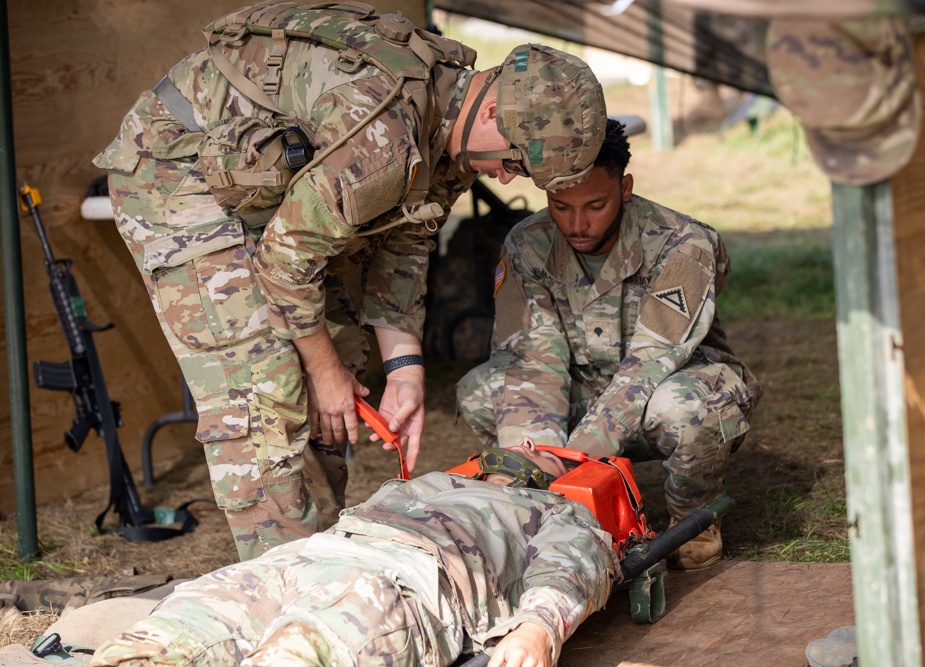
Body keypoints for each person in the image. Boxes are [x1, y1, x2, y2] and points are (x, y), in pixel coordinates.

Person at [92, 2, 606, 560]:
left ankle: (324, 558)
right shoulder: (383, 137)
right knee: (265, 392)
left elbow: (406, 240)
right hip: (177, 171)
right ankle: (284, 588)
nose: (506, 176)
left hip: (268, 190)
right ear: (492, 116)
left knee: (338, 358)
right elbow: (286, 262)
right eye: (514, 163)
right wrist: (321, 371)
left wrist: (404, 369)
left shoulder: (452, 128)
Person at [456, 118, 761, 570]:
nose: (577, 223)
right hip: (582, 393)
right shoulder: (528, 244)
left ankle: (693, 516)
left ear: (626, 188)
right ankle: (540, 510)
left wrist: (573, 460)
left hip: (669, 385)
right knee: (479, 390)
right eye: (560, 206)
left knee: (685, 408)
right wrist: (535, 460)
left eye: (595, 205)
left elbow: (651, 362)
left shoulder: (683, 243)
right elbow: (533, 359)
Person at [87, 440, 618, 667]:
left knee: (297, 653)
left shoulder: (559, 513)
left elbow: (571, 567)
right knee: (162, 638)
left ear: (560, 474)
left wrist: (538, 627)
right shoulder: (431, 483)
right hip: (303, 560)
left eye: (543, 450)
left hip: (405, 582)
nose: (526, 445)